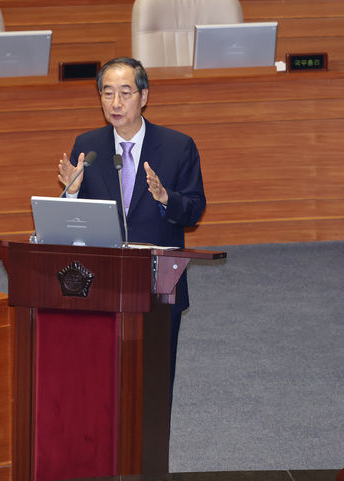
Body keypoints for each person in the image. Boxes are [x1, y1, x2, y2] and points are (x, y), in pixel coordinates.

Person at [57, 57, 207, 400]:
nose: (115, 103)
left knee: (153, 385)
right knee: (100, 382)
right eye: (107, 93)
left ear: (144, 96)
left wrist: (166, 197)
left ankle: (151, 453)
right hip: (101, 281)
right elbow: (71, 220)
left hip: (158, 282)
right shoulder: (88, 146)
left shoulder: (177, 146)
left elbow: (195, 210)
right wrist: (73, 191)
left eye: (125, 92)